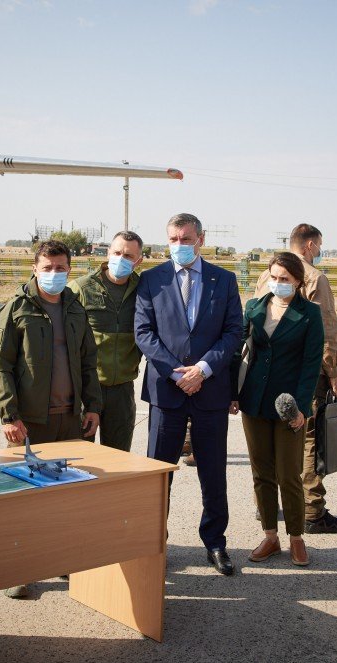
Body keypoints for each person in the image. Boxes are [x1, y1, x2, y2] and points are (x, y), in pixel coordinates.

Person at [0, 239, 103, 597]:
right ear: (35, 268)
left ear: (70, 269)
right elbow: (1, 366)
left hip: (69, 419)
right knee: (24, 499)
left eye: (61, 267)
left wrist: (93, 406)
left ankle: (62, 559)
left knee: (66, 496)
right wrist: (9, 414)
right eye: (47, 267)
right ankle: (20, 569)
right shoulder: (16, 308)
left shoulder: (74, 308)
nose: (54, 274)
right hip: (30, 422)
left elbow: (88, 363)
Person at [135, 213, 242, 576]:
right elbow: (144, 332)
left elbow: (233, 332)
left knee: (213, 472)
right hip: (167, 390)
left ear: (201, 238)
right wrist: (175, 372)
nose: (179, 245)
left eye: (186, 239)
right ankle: (152, 543)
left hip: (209, 389)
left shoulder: (224, 280)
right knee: (158, 473)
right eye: (173, 239)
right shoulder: (151, 280)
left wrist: (204, 369)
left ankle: (215, 542)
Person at [253, 223, 337, 534]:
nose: (318, 251)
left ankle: (266, 506)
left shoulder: (267, 273)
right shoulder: (314, 277)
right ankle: (312, 509)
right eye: (318, 246)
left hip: (264, 376)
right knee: (309, 439)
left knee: (266, 455)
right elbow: (326, 327)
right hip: (304, 374)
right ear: (308, 246)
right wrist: (332, 371)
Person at [234, 252, 324, 567]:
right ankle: (270, 535)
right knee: (262, 473)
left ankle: (296, 538)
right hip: (254, 402)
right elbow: (239, 351)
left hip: (289, 407)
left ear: (298, 281)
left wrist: (300, 408)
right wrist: (233, 393)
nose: (278, 283)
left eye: (285, 279)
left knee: (289, 474)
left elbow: (311, 365)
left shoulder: (310, 313)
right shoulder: (254, 307)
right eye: (274, 277)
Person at [69, 231, 145, 451]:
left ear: (138, 261)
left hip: (121, 391)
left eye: (129, 256)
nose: (121, 258)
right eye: (117, 252)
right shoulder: (81, 288)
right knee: (79, 457)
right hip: (86, 388)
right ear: (108, 253)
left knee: (118, 456)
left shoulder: (143, 291)